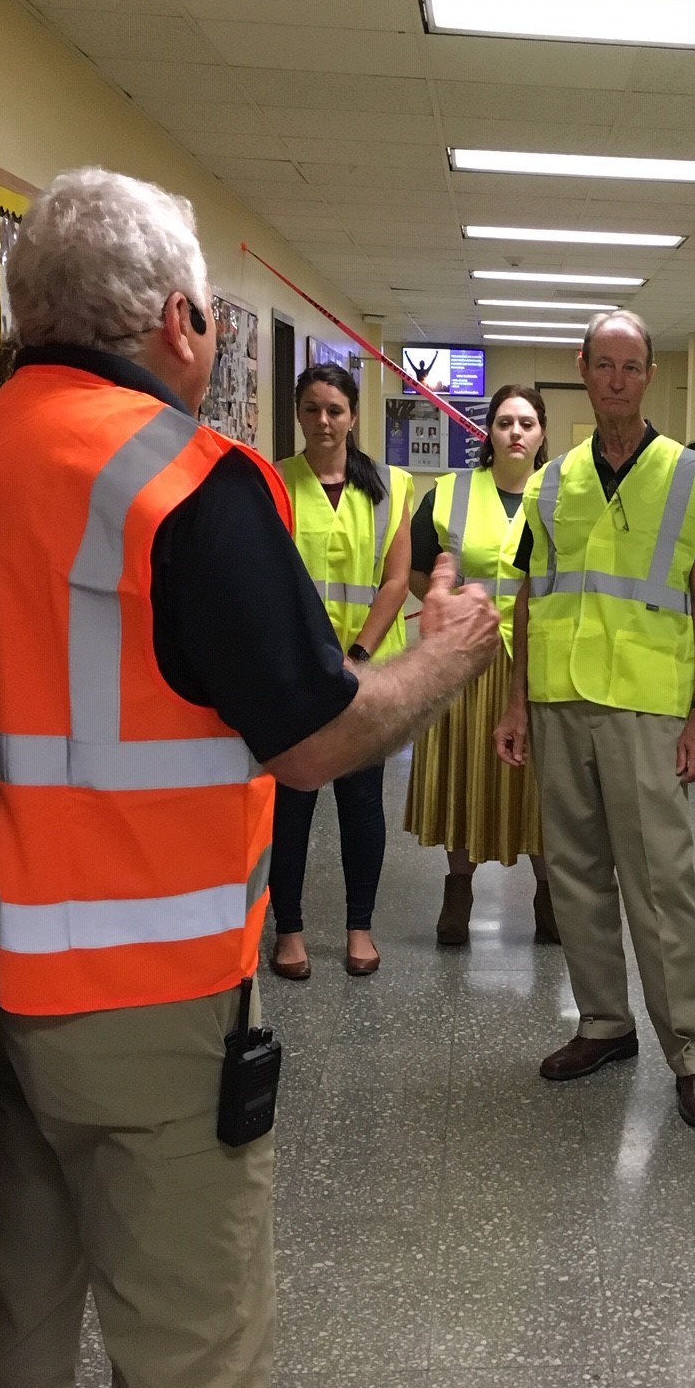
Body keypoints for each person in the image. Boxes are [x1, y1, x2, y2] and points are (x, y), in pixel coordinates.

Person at [0, 167, 498, 1388]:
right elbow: (317, 740)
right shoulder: (188, 480)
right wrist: (441, 660)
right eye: (211, 311)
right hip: (145, 1000)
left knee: (5, 1342)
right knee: (191, 1369)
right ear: (180, 322)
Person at [493, 309, 695, 1128]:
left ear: (649, 373)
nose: (618, 380)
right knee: (577, 874)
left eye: (633, 366)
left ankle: (693, 1051)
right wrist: (517, 699)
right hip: (561, 701)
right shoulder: (552, 482)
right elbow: (529, 597)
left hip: (648, 705)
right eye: (604, 366)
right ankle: (603, 1021)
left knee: (662, 883)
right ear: (584, 369)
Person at [265, 364, 417, 980]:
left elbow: (398, 578)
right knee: (292, 804)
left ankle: (360, 927)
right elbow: (270, 579)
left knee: (361, 803)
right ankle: (291, 931)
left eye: (334, 410)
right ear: (298, 414)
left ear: (354, 415)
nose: (323, 422)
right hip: (294, 675)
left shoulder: (391, 485)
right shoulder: (273, 481)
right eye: (311, 409)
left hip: (366, 674)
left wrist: (355, 655)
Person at [405, 384, 557, 945]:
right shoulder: (449, 494)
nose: (515, 432)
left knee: (537, 782)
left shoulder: (560, 495)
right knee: (464, 769)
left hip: (537, 659)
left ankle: (549, 899)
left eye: (527, 423)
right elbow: (420, 570)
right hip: (466, 658)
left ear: (542, 434)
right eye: (504, 423)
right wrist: (455, 606)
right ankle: (458, 895)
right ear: (488, 432)